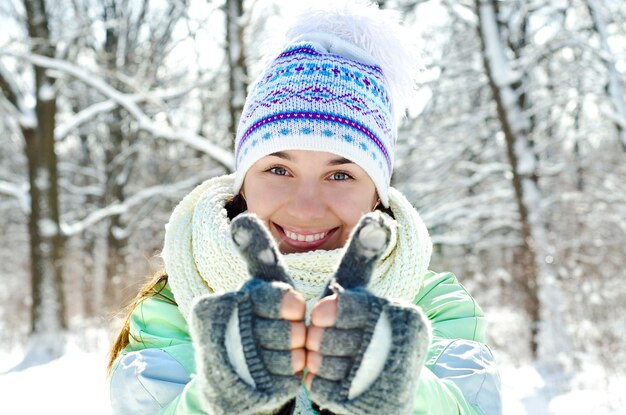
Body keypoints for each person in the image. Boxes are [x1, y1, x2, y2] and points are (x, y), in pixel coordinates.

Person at [107, 1, 502, 414]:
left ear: (377, 194)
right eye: (279, 169)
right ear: (244, 180)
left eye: (341, 175)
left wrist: (399, 389)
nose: (306, 208)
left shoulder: (433, 305)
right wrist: (221, 400)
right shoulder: (178, 302)